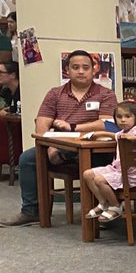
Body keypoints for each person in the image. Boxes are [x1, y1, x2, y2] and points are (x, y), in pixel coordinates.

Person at [3, 50, 118, 227]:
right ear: (68, 71)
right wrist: (48, 146)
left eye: (85, 67)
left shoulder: (106, 94)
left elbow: (105, 124)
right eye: (75, 67)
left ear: (94, 70)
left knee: (104, 162)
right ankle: (30, 211)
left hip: (93, 148)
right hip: (60, 144)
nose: (81, 71)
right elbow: (42, 122)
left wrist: (73, 128)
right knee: (27, 159)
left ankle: (104, 210)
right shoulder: (55, 94)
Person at [79, 101, 136, 223]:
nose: (123, 120)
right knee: (87, 174)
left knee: (99, 180)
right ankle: (103, 202)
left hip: (133, 174)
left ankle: (116, 206)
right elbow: (115, 136)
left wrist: (133, 137)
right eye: (119, 117)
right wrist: (99, 133)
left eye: (127, 116)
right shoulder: (122, 133)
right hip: (118, 169)